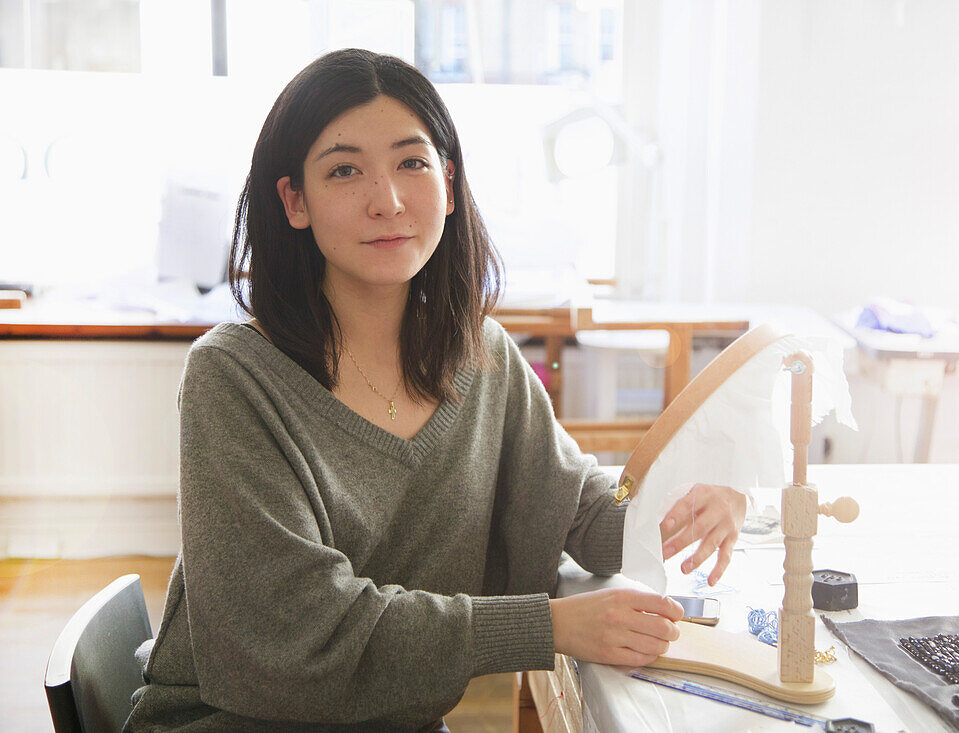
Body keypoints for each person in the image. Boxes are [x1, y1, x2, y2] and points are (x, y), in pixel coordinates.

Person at [125, 48, 747, 732]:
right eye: (344, 170)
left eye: (412, 162)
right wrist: (545, 625)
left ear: (448, 183)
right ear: (293, 201)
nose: (387, 200)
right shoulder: (232, 377)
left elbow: (585, 508)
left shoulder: (483, 356)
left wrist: (676, 504)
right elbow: (301, 634)